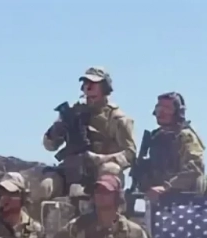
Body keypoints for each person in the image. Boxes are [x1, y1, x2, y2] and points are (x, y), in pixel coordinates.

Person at [37, 67, 136, 208]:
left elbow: (130, 154)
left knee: (110, 171)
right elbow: (49, 146)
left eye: (93, 84)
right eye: (85, 83)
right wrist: (55, 131)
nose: (88, 87)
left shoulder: (117, 118)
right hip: (71, 168)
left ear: (105, 87)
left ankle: (109, 217)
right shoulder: (73, 112)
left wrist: (99, 159)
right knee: (44, 186)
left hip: (100, 171)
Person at [132, 92, 207, 199]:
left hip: (186, 196)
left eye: (167, 109)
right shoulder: (156, 137)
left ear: (178, 112)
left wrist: (167, 187)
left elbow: (195, 168)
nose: (161, 113)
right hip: (160, 196)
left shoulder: (186, 136)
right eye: (159, 108)